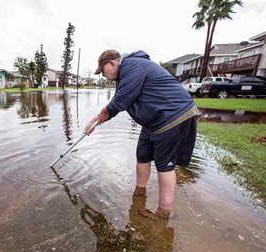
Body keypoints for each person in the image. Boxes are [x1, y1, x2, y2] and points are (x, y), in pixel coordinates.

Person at [84, 49, 200, 219]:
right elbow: (119, 103)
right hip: (153, 121)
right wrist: (97, 121)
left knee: (164, 164)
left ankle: (163, 212)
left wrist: (97, 117)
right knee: (143, 155)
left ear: (112, 64)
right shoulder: (124, 74)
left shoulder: (132, 66)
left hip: (172, 115)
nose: (102, 75)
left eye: (102, 71)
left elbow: (120, 101)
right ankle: (139, 193)